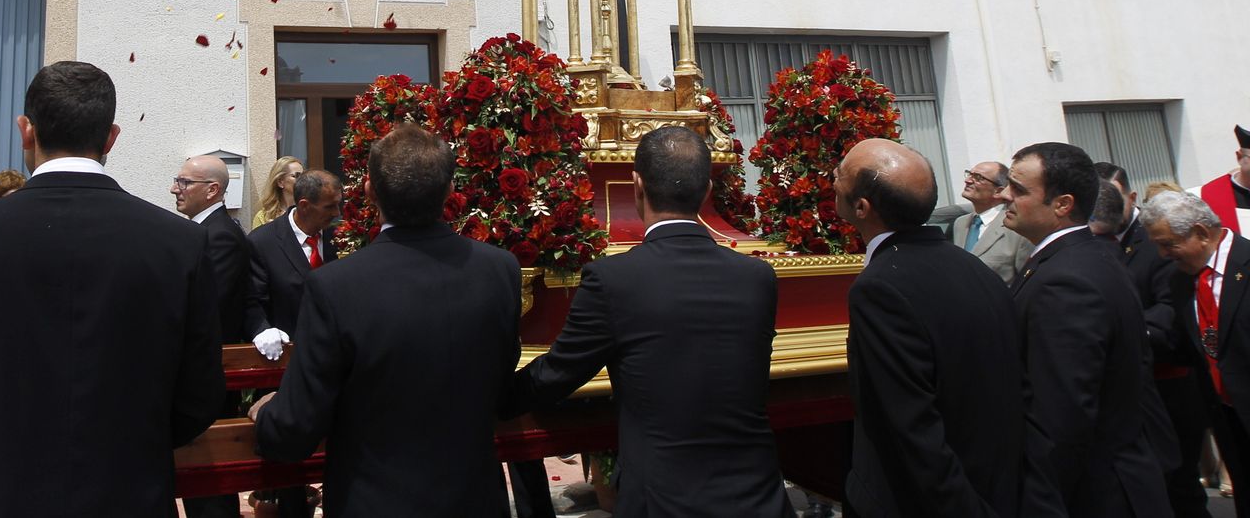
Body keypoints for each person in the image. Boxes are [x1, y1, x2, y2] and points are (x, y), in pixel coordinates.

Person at [0, 61, 224, 518]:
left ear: (26, 131)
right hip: (128, 491)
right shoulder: (180, 243)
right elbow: (199, 394)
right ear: (111, 138)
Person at [509, 125, 792, 518]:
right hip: (758, 498)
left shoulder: (614, 280)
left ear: (636, 185)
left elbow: (557, 374)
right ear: (708, 190)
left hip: (661, 500)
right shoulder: (757, 277)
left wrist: (493, 396)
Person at [250, 123, 521, 517]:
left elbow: (296, 426)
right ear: (449, 192)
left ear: (369, 192)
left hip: (376, 499)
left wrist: (265, 415)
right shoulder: (499, 269)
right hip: (473, 497)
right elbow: (501, 376)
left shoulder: (335, 285)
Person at [834, 138, 1023, 517]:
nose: (833, 179)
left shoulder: (881, 287)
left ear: (861, 207)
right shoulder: (974, 268)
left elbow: (907, 429)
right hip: (998, 485)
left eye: (839, 174)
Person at [1001, 141, 1169, 517]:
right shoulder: (1075, 260)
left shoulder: (1067, 280)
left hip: (1095, 494)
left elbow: (1061, 415)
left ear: (1062, 204)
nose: (1004, 196)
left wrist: (1038, 502)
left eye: (1019, 189)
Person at [1142, 190, 1250, 518]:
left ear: (1202, 233)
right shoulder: (1181, 280)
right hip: (1228, 418)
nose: (1162, 254)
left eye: (1169, 244)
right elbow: (1184, 346)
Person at [244, 167, 340, 518]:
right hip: (284, 368)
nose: (337, 214)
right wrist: (261, 329)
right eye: (330, 207)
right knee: (287, 471)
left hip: (335, 364)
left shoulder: (340, 238)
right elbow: (251, 300)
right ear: (304, 204)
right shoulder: (263, 241)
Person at [173, 154, 251, 518]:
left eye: (184, 182)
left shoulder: (220, 236)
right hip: (199, 370)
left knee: (210, 479)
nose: (175, 189)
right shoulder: (203, 232)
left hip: (208, 373)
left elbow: (206, 306)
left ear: (213, 189)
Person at [952, 160, 1033, 283]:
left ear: (998, 191)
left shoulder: (1016, 227)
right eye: (969, 174)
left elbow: (1026, 282)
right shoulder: (960, 223)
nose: (968, 180)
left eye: (978, 177)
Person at [252, 155, 304, 228]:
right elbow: (256, 239)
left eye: (304, 176)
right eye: (296, 176)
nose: (302, 180)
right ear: (280, 182)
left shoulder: (307, 212)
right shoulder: (264, 217)